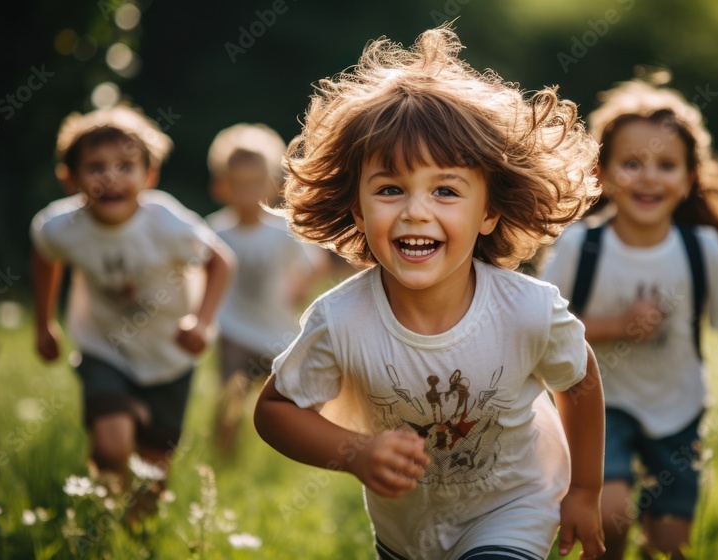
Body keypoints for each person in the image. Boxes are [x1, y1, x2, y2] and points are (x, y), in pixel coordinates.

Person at [254, 27, 606, 560]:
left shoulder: (528, 311)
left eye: (445, 191)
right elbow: (275, 411)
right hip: (405, 532)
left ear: (488, 211)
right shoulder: (341, 318)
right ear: (358, 209)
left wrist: (584, 490)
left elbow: (579, 383)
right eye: (390, 189)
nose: (416, 211)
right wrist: (355, 452)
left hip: (514, 507)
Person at [540, 77, 718, 560]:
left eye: (666, 165)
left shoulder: (702, 251)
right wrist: (616, 325)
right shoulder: (580, 246)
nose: (649, 177)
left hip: (678, 408)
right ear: (602, 172)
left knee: (668, 547)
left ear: (689, 177)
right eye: (631, 164)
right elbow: (542, 330)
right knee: (611, 515)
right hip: (600, 405)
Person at [30, 105, 236, 500]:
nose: (110, 177)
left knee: (153, 469)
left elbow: (220, 260)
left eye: (126, 165)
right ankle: (105, 509)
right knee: (111, 445)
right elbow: (44, 254)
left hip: (169, 354)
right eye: (96, 167)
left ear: (149, 176)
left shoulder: (166, 222)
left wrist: (203, 322)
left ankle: (135, 534)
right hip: (103, 346)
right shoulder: (62, 227)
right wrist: (45, 323)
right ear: (69, 178)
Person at [204, 123, 325, 455]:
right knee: (230, 393)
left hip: (277, 332)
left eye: (255, 183)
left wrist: (297, 289)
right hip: (234, 329)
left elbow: (315, 264)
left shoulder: (283, 230)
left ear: (272, 185)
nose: (247, 193)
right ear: (221, 187)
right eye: (238, 184)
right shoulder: (215, 232)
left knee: (286, 397)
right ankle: (223, 456)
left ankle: (292, 452)